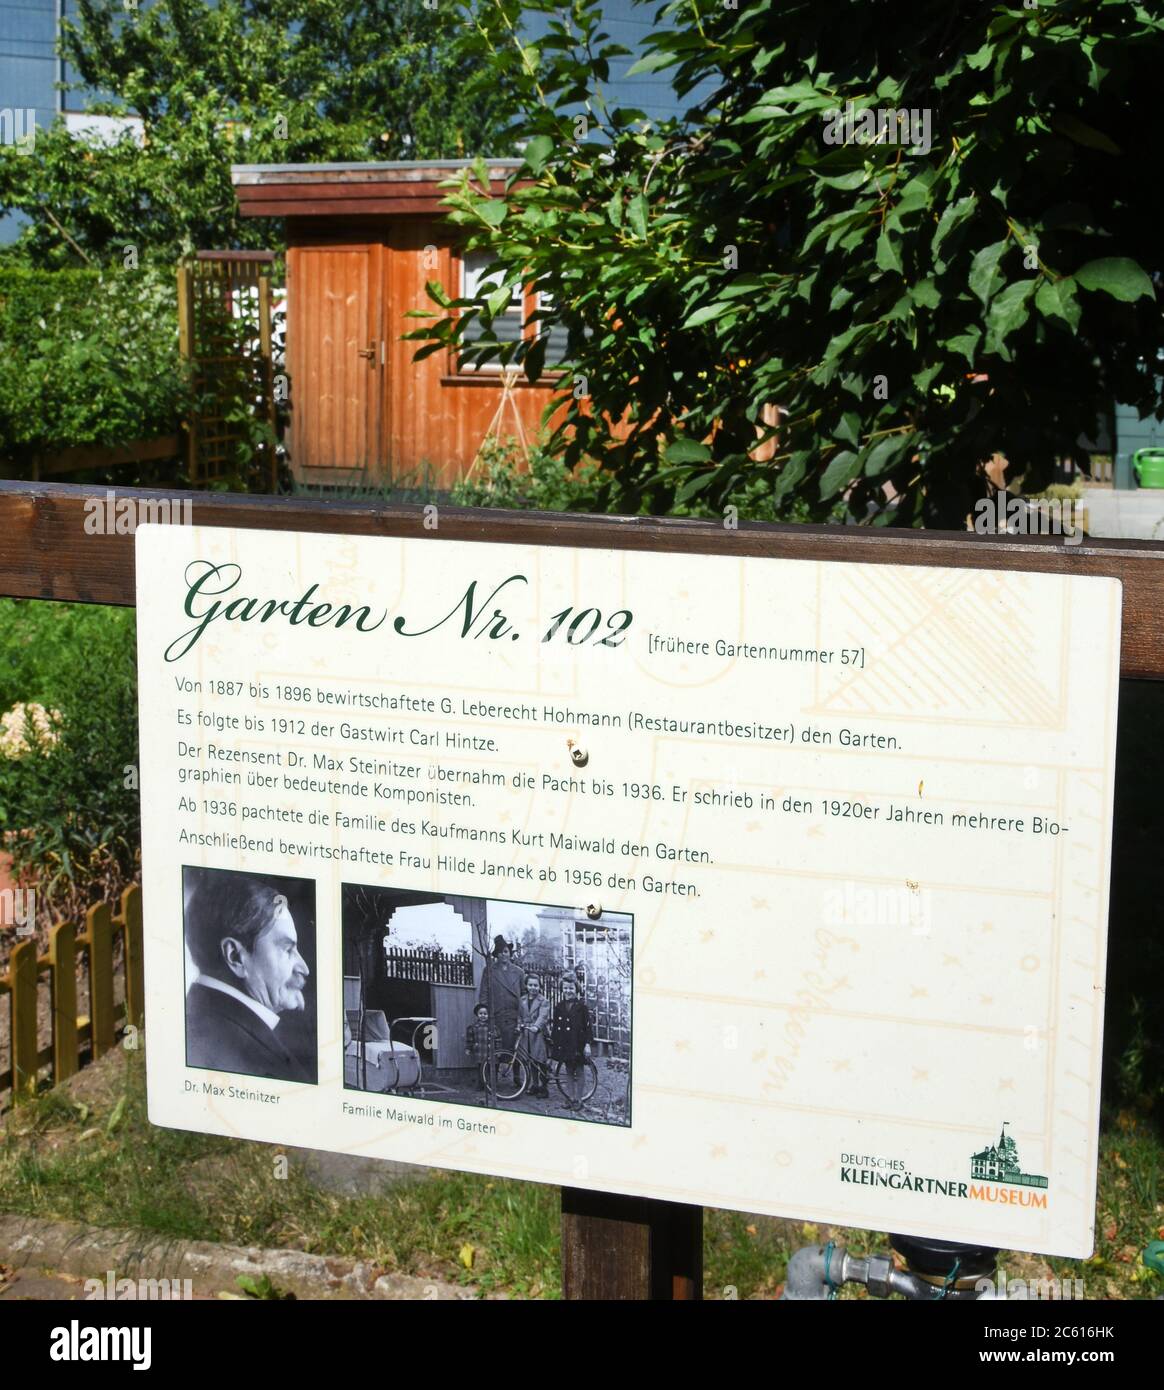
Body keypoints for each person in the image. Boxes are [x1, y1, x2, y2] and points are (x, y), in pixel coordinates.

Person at [184, 870, 315, 1084]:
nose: (304, 968)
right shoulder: (242, 1053)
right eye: (287, 949)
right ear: (235, 956)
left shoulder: (196, 1020)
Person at [550, 974, 593, 1112]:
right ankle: (571, 1097)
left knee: (579, 1072)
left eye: (571, 988)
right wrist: (554, 1044)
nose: (568, 991)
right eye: (565, 988)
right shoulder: (559, 1006)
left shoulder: (582, 1007)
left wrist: (587, 1044)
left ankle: (579, 1100)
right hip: (565, 1044)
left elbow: (588, 1027)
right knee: (568, 1071)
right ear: (562, 989)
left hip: (578, 1044)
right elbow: (556, 1026)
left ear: (576, 989)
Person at [477, 935, 522, 1050]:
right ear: (497, 954)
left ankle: (515, 1067)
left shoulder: (519, 972)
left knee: (514, 1047)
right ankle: (495, 1068)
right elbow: (484, 993)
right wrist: (485, 1011)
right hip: (496, 1014)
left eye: (506, 951)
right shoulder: (489, 970)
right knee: (496, 1046)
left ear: (510, 953)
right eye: (500, 952)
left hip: (513, 1015)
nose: (504, 954)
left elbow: (524, 994)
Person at [516, 974, 552, 1097]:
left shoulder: (543, 1001)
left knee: (540, 1060)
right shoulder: (522, 1000)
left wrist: (537, 1026)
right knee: (530, 1060)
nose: (533, 988)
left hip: (538, 1034)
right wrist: (519, 1024)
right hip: (526, 1033)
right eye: (530, 985)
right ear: (526, 986)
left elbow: (543, 1016)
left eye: (536, 985)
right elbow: (519, 1015)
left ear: (539, 986)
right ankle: (534, 1084)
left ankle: (544, 1087)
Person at [465, 1003, 501, 1091]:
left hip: (491, 1052)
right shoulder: (473, 1027)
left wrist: (499, 1050)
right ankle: (481, 1084)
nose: (483, 1016)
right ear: (477, 1015)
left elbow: (498, 1039)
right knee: (481, 1069)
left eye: (485, 1014)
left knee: (492, 1069)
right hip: (480, 1052)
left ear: (488, 1015)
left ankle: (492, 1085)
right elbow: (470, 1039)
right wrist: (469, 1048)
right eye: (481, 1014)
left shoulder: (493, 1027)